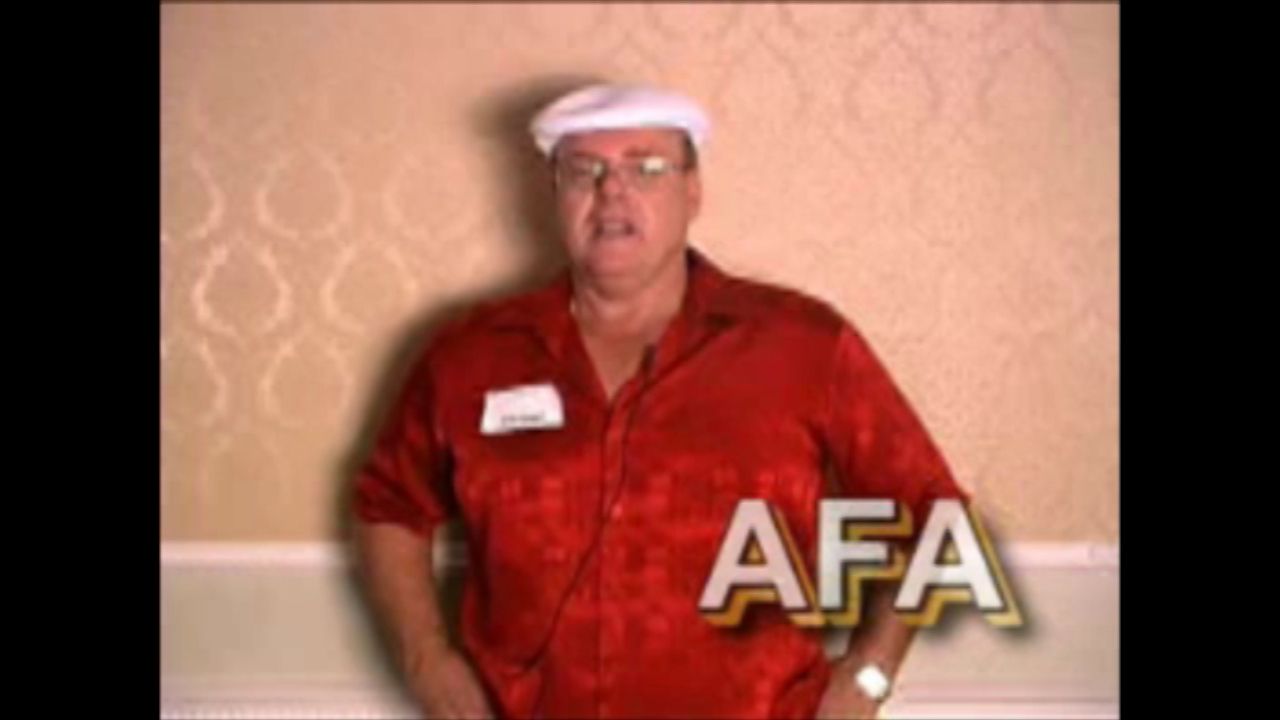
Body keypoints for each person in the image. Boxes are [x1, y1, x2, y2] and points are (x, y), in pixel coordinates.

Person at [352, 83, 968, 720]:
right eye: (584, 171)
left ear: (693, 191)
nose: (612, 192)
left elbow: (936, 513)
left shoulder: (803, 345)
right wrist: (425, 659)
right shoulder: (470, 356)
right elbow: (387, 506)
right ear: (554, 193)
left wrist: (870, 673)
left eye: (646, 168)